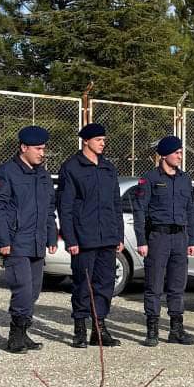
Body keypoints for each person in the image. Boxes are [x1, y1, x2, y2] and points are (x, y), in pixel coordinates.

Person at [55, 120, 124, 348]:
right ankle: (80, 329)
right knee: (83, 284)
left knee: (105, 284)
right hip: (84, 239)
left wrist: (119, 236)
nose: (103, 144)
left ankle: (99, 328)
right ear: (86, 141)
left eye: (104, 140)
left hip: (107, 238)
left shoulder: (108, 168)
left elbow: (116, 204)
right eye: (98, 140)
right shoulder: (72, 167)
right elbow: (65, 207)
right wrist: (71, 238)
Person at [0, 125, 59, 353]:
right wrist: (3, 241)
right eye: (38, 148)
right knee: (22, 289)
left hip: (37, 241)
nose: (42, 153)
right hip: (16, 241)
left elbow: (49, 207)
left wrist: (51, 235)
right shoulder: (7, 172)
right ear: (23, 147)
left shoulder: (43, 174)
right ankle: (15, 336)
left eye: (44, 149)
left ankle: (24, 331)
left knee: (35, 290)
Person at [131, 134, 194, 347]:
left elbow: (191, 210)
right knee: (154, 285)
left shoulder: (185, 179)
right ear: (164, 154)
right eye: (177, 152)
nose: (180, 156)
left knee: (178, 285)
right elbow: (140, 211)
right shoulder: (150, 179)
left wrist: (192, 240)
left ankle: (176, 329)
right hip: (158, 237)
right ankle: (152, 329)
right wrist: (141, 240)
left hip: (180, 237)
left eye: (180, 152)